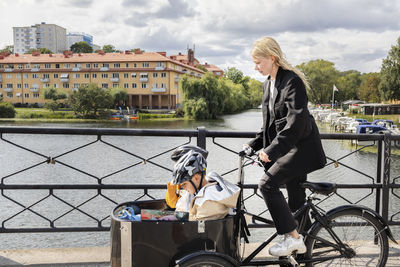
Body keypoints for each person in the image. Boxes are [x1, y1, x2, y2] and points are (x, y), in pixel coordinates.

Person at [243, 37, 326, 257]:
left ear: (272, 58)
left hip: (302, 150)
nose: (255, 67)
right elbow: (268, 125)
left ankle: (293, 237)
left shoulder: (292, 81)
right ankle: (303, 251)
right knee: (296, 202)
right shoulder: (268, 84)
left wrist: (270, 151)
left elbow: (295, 124)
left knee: (267, 184)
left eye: (258, 62)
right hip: (288, 150)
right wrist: (252, 145)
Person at [171, 149, 240, 221]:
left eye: (184, 184)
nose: (183, 188)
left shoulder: (208, 199)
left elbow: (197, 228)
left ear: (196, 178)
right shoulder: (213, 190)